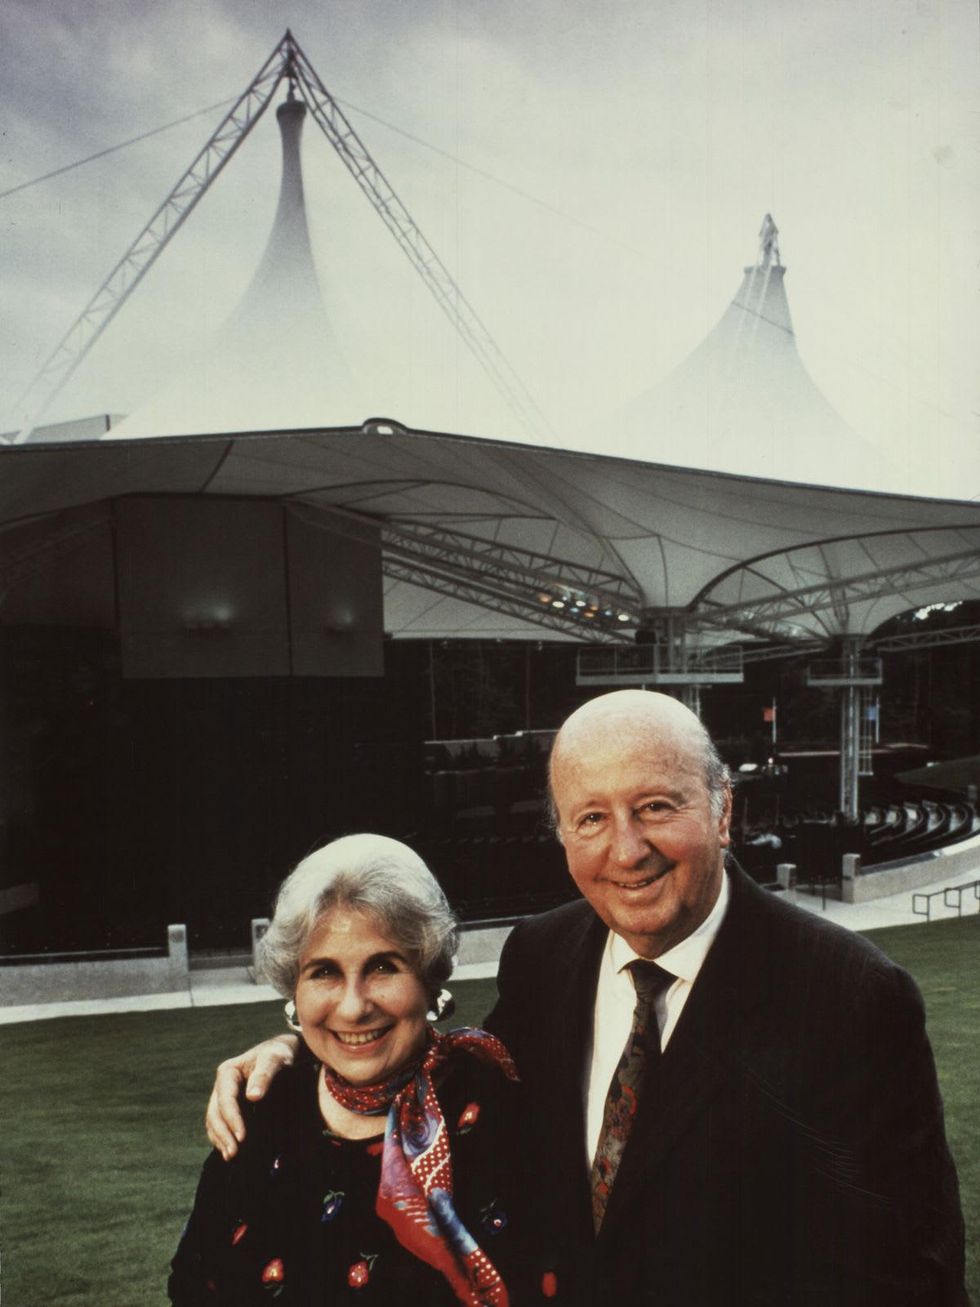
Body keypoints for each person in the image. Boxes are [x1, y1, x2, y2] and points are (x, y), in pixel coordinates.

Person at [207, 692, 967, 1305]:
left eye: (658, 807)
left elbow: (907, 1279)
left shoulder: (850, 997)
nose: (626, 849)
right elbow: (432, 1070)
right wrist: (288, 1054)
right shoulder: (543, 955)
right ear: (561, 833)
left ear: (725, 808)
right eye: (592, 818)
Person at [172, 833, 543, 1306]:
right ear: (294, 990)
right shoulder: (262, 1113)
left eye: (383, 967)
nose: (353, 1008)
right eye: (324, 972)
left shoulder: (498, 1107)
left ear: (428, 979)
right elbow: (192, 1286)